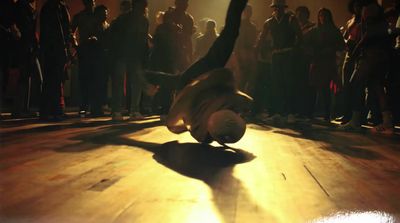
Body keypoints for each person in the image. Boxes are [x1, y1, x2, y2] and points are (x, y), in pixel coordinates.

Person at [145, 0, 251, 145]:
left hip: (196, 80)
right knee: (230, 34)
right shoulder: (212, 114)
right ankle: (144, 74)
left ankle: (143, 74)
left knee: (175, 80)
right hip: (205, 76)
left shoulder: (192, 109)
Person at [340, 0, 394, 134]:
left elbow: (368, 34)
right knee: (377, 85)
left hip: (370, 54)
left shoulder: (369, 8)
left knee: (355, 83)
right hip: (379, 54)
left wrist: (356, 49)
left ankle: (356, 119)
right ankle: (387, 121)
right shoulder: (375, 9)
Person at [258, 0, 302, 124]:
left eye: (280, 7)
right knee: (276, 84)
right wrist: (260, 50)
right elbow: (261, 38)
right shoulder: (269, 22)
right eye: (276, 7)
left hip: (288, 54)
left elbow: (300, 37)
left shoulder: (290, 20)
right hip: (276, 55)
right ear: (273, 8)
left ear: (284, 8)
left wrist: (294, 50)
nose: (278, 9)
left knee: (288, 83)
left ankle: (289, 113)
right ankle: (277, 112)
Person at [108, 0, 150, 121]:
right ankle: (127, 111)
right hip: (125, 55)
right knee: (127, 83)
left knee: (127, 83)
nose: (143, 8)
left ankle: (123, 111)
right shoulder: (140, 20)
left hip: (130, 56)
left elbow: (143, 40)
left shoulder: (137, 20)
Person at [308, 8, 345, 121]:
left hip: (328, 62)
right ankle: (311, 113)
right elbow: (308, 43)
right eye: (321, 15)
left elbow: (341, 45)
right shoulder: (315, 30)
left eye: (325, 15)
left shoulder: (334, 31)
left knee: (325, 88)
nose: (322, 18)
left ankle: (327, 114)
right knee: (314, 87)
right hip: (317, 61)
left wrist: (331, 49)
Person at [39, 0, 74, 120]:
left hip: (52, 49)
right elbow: (59, 31)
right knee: (54, 79)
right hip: (55, 49)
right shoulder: (55, 7)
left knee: (53, 79)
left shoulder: (51, 7)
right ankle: (54, 110)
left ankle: (51, 110)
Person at [72, 0, 102, 117]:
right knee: (84, 80)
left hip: (95, 51)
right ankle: (85, 106)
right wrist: (77, 46)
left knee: (94, 80)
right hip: (85, 51)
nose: (91, 4)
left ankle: (93, 107)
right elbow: (71, 32)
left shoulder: (96, 16)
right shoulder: (79, 16)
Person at [235, 4, 257, 95]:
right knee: (241, 79)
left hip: (250, 52)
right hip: (241, 52)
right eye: (247, 11)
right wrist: (238, 56)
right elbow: (237, 41)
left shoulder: (253, 26)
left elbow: (254, 40)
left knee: (250, 79)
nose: (249, 13)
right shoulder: (239, 25)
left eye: (250, 12)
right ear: (243, 12)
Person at [167, 0, 195, 71]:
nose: (186, 5)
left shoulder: (189, 18)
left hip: (180, 52)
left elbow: (188, 38)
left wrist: (190, 54)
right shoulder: (169, 15)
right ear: (177, 3)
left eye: (186, 3)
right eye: (184, 3)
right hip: (168, 50)